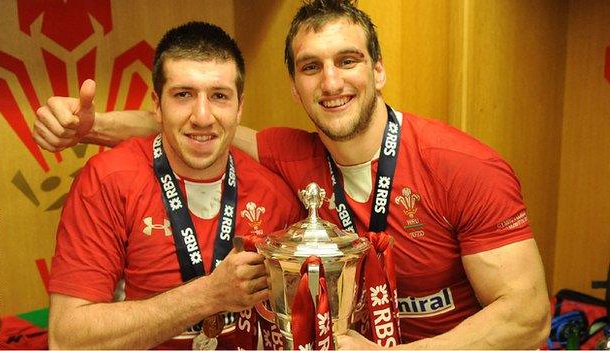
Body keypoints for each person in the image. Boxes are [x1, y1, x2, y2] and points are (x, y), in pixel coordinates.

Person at [34, 0, 551, 349]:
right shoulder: (289, 158)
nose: (331, 82)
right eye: (310, 67)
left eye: (347, 60)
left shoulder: (462, 165)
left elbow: (528, 314)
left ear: (377, 70)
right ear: (294, 86)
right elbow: (193, 125)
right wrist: (88, 126)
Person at [44, 21, 302, 350]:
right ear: (157, 104)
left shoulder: (275, 192)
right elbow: (67, 340)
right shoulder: (108, 180)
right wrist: (208, 295)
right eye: (183, 95)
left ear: (240, 108)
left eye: (219, 96)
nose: (203, 116)